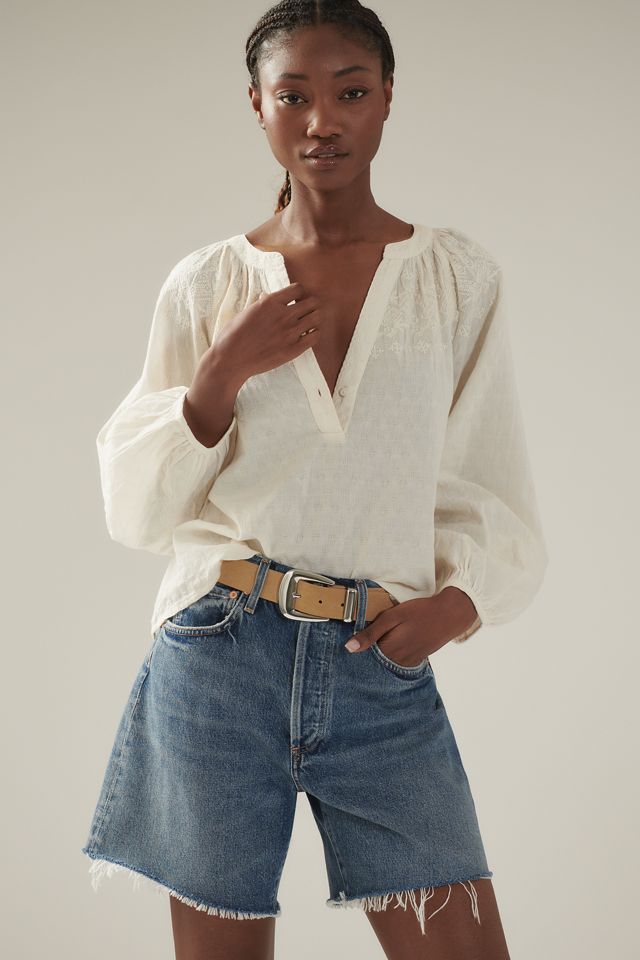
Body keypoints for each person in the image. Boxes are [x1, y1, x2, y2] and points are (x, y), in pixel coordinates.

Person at [80, 2, 548, 958]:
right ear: (257, 105)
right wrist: (217, 376)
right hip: (217, 656)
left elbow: (487, 478)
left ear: (388, 100)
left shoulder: (455, 278)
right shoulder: (209, 284)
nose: (322, 121)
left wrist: (456, 606)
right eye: (292, 96)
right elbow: (135, 507)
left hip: (378, 661)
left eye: (350, 92)